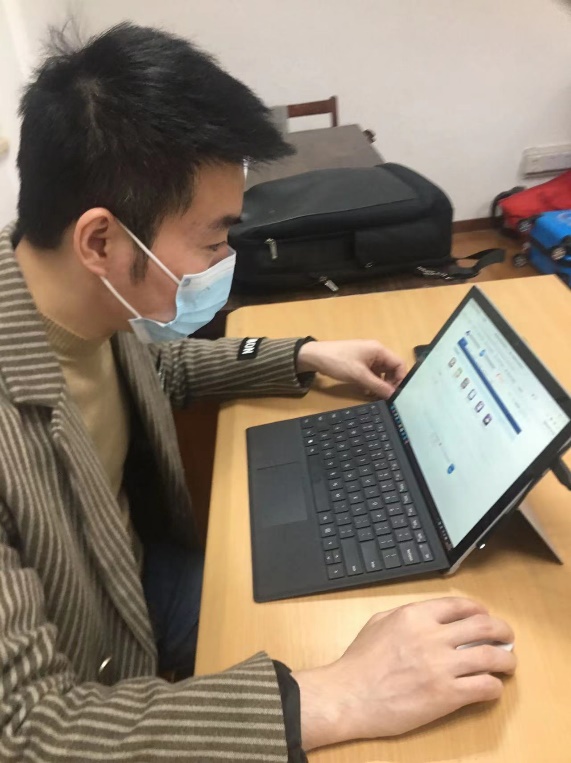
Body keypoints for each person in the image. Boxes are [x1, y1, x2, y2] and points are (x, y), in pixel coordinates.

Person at [0, 22, 516, 762]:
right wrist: (337, 697)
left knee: (371, 602)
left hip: (137, 567)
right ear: (101, 241)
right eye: (213, 241)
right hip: (98, 658)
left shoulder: (73, 297)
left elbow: (154, 373)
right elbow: (30, 731)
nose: (226, 260)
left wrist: (303, 356)